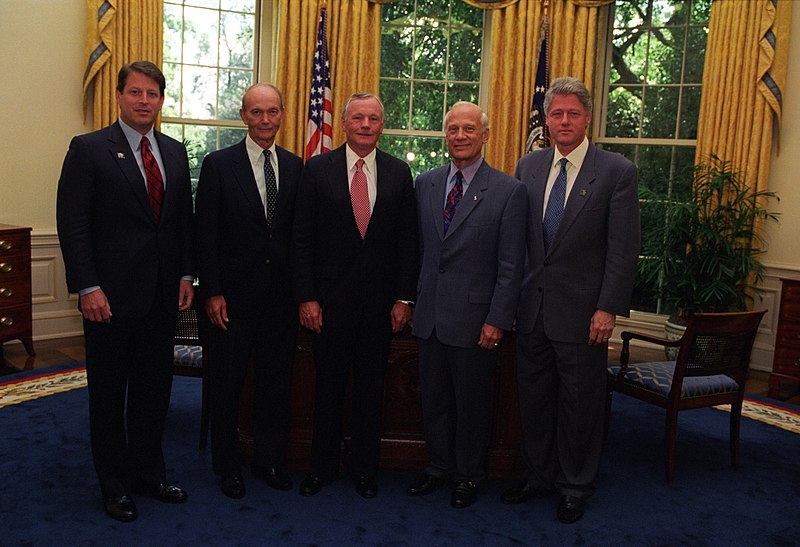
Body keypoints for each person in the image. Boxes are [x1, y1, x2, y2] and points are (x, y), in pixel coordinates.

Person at [56, 61, 194, 522]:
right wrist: (88, 287)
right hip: (108, 301)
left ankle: (149, 474)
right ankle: (114, 485)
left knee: (155, 392)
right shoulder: (90, 149)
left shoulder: (175, 152)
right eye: (135, 92)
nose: (143, 101)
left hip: (161, 298)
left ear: (160, 100)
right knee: (110, 396)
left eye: (152, 94)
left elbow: (179, 225)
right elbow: (74, 225)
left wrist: (184, 275)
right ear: (119, 96)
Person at [505, 77, 640, 523]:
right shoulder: (528, 166)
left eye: (573, 113)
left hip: (584, 314)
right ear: (546, 121)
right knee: (535, 399)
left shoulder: (616, 171)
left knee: (580, 404)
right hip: (532, 309)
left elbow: (623, 249)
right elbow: (520, 242)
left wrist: (607, 308)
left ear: (588, 118)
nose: (564, 121)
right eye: (556, 114)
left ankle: (575, 485)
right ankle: (539, 476)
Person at [291, 92, 418, 499]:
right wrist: (306, 297)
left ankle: (365, 470)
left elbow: (407, 242)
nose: (366, 125)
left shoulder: (399, 173)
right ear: (343, 123)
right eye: (358, 118)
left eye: (374, 119)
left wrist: (404, 298)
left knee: (370, 393)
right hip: (327, 308)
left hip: (380, 309)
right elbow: (302, 240)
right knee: (326, 390)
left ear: (383, 125)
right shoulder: (317, 169)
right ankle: (321, 468)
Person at [407, 101, 527, 509]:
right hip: (429, 318)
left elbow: (512, 265)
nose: (460, 136)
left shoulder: (509, 191)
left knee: (472, 405)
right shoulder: (425, 183)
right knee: (434, 400)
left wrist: (498, 319)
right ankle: (438, 468)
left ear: (485, 136)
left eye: (469, 130)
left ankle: (469, 476)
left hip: (477, 321)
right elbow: (419, 251)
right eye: (453, 129)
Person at [195, 83, 303, 499]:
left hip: (280, 301)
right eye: (256, 112)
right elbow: (204, 234)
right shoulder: (219, 165)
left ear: (282, 115)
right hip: (231, 302)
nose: (264, 120)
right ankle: (228, 467)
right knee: (227, 385)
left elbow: (298, 237)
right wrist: (213, 292)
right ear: (243, 116)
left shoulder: (295, 167)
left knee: (275, 386)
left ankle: (268, 461)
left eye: (272, 112)